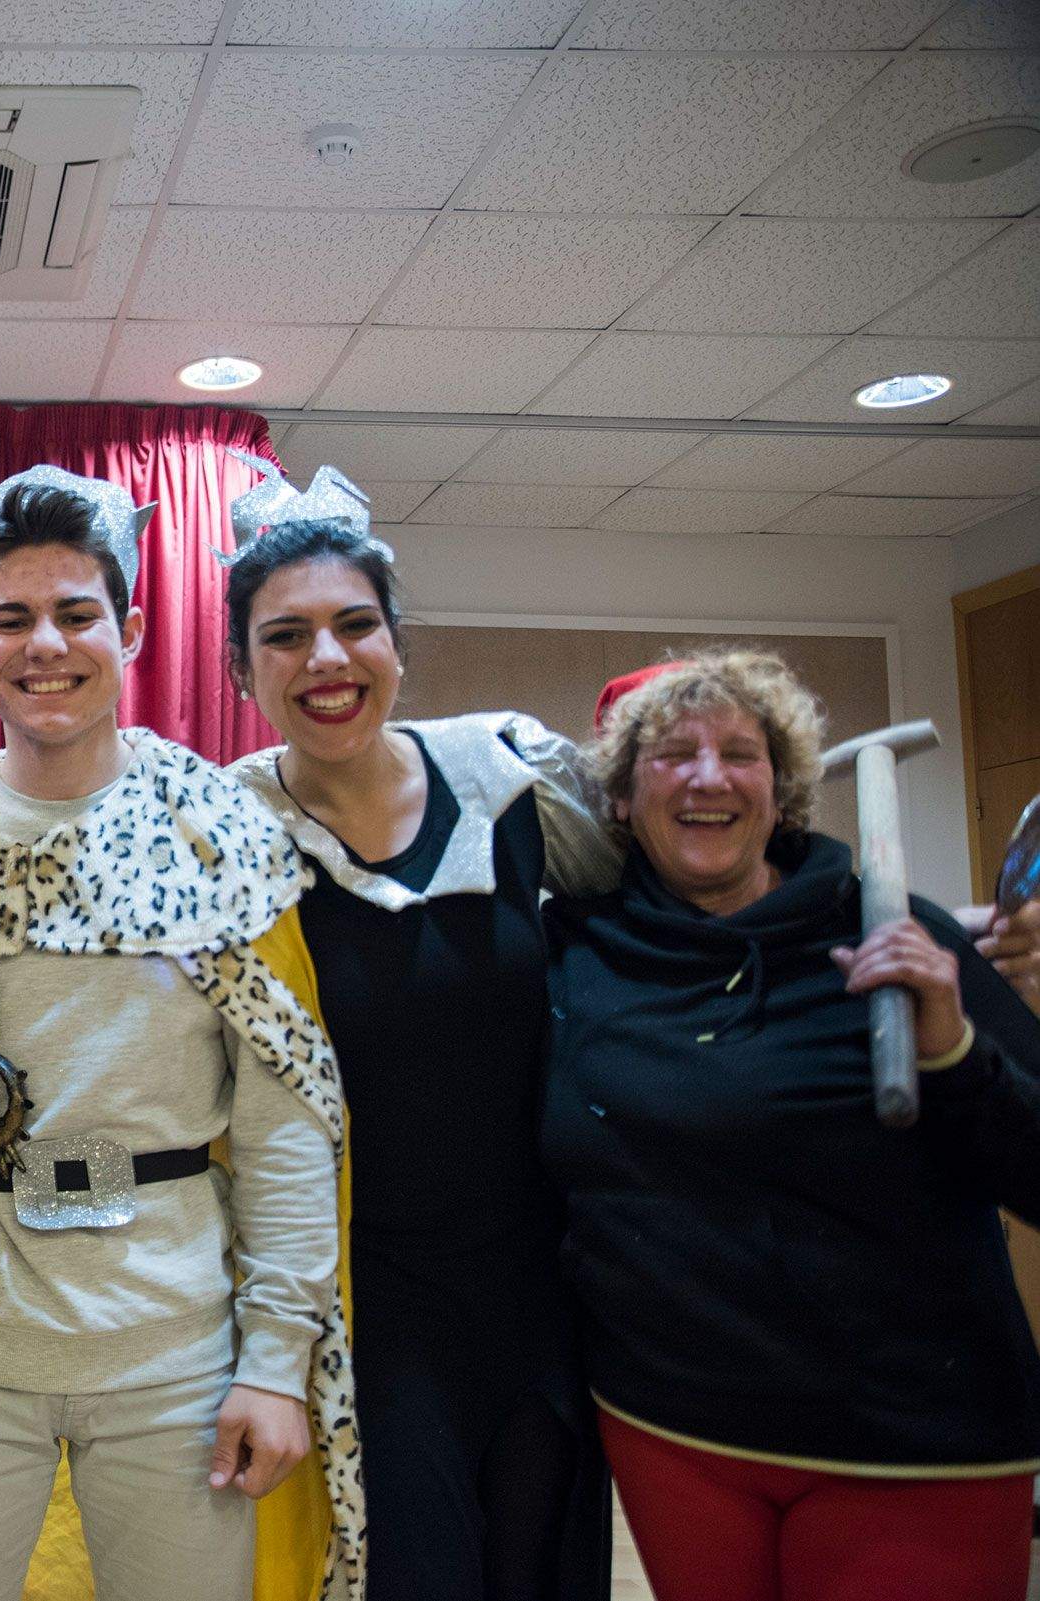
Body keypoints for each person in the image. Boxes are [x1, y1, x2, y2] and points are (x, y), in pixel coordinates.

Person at [0, 466, 361, 1601]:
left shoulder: (216, 837)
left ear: (130, 630)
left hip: (178, 1358)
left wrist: (277, 1360)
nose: (45, 645)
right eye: (10, 618)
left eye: (76, 614)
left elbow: (285, 1121)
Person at [545, 649, 1040, 1601]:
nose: (708, 776)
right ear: (621, 796)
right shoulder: (575, 953)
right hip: (672, 1433)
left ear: (779, 792)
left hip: (911, 1442)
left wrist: (952, 1049)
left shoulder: (896, 938)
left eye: (740, 753)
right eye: (673, 753)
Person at [220, 457, 619, 1601]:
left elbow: (673, 924)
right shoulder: (221, 831)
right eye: (284, 635)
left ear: (396, 642)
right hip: (362, 1307)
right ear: (240, 668)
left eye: (354, 624)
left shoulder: (512, 780)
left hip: (540, 1292)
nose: (325, 658)